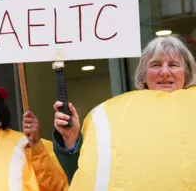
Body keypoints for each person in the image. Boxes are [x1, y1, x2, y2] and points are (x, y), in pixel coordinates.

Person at [53, 36, 196, 189]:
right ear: (143, 75)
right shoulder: (115, 115)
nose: (165, 72)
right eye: (156, 65)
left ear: (186, 73)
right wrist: (71, 139)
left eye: (173, 65)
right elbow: (85, 176)